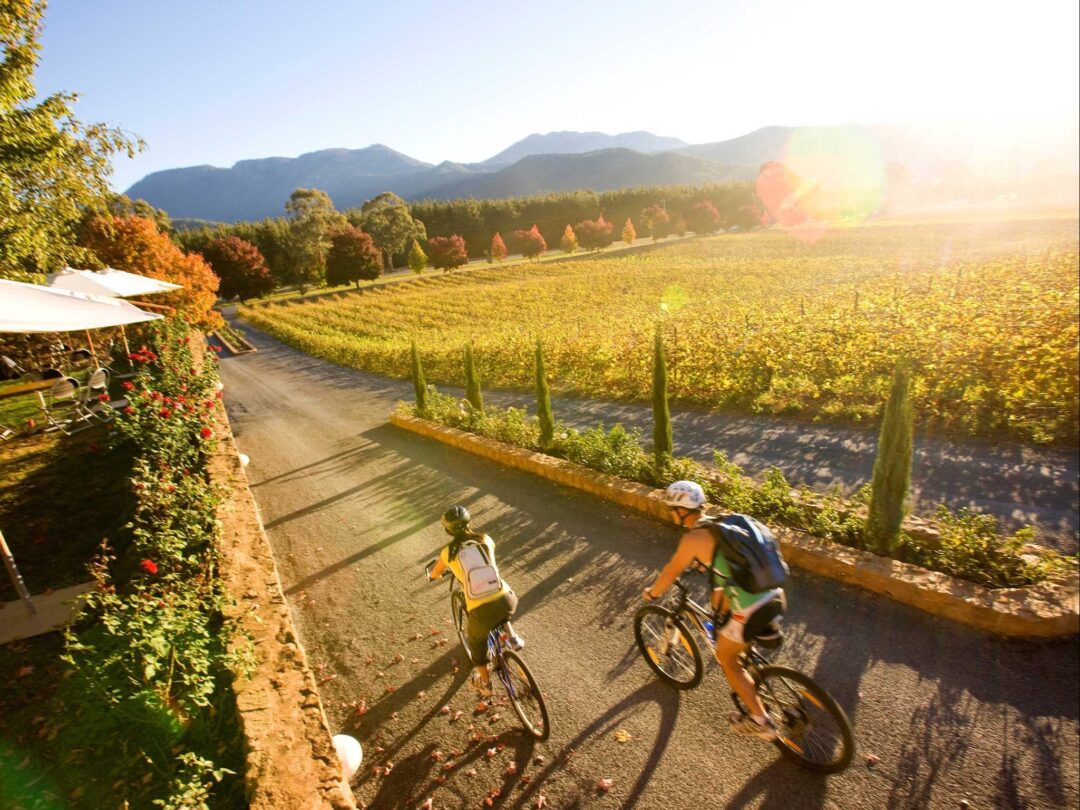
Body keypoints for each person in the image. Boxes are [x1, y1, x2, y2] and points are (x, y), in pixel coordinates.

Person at [643, 481, 787, 741]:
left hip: (752, 608)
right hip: (775, 595)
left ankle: (760, 720)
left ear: (680, 510)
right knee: (726, 628)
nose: (671, 514)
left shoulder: (694, 538)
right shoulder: (723, 526)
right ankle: (753, 673)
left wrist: (652, 593)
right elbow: (724, 580)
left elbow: (669, 572)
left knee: (727, 661)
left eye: (671, 509)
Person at [427, 505, 524, 697]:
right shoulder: (486, 540)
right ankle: (512, 636)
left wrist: (433, 576)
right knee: (498, 606)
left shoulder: (448, 553)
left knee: (476, 643)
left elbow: (436, 572)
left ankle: (486, 684)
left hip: (481, 610)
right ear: (469, 522)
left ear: (447, 530)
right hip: (507, 599)